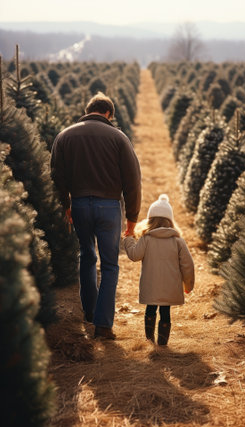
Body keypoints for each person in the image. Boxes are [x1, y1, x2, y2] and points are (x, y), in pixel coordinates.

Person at [50, 92, 141, 340]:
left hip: (79, 204)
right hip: (109, 208)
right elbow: (133, 181)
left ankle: (89, 313)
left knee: (87, 256)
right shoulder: (119, 137)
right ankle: (103, 325)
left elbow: (56, 174)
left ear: (87, 109)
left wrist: (65, 203)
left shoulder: (65, 135)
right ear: (109, 114)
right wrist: (132, 218)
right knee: (110, 265)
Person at [123, 194, 194, 346]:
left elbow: (134, 256)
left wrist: (128, 239)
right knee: (165, 313)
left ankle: (149, 340)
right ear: (170, 221)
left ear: (150, 220)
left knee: (150, 310)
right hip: (170, 287)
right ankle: (163, 344)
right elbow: (188, 265)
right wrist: (188, 285)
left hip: (151, 285)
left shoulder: (146, 239)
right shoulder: (178, 241)